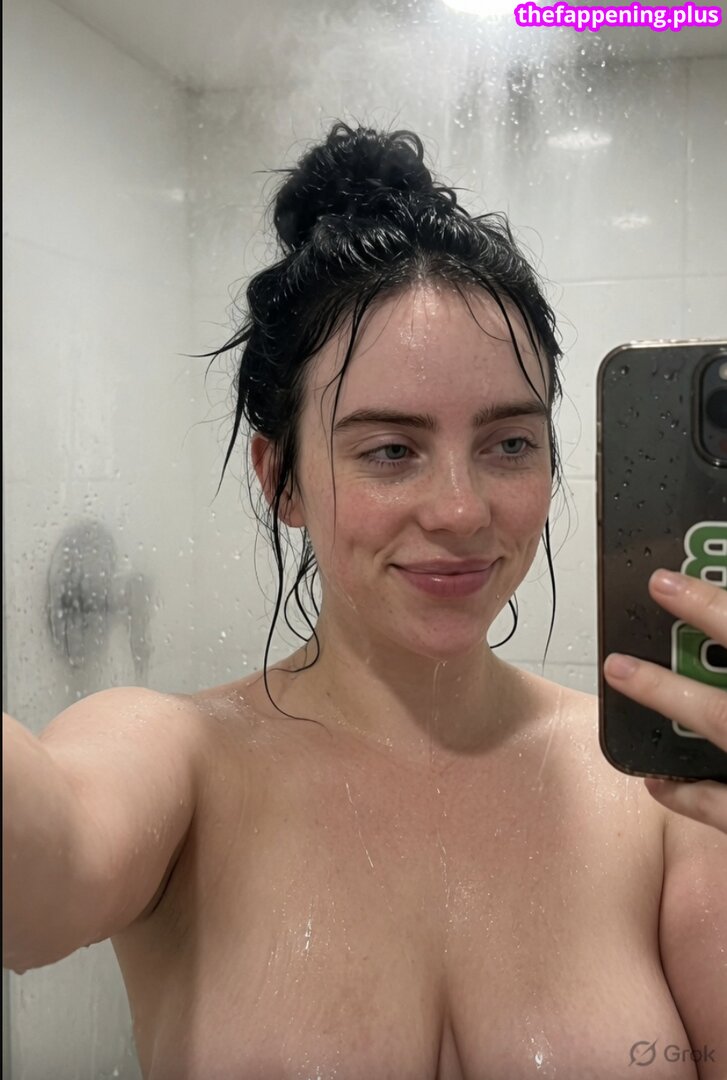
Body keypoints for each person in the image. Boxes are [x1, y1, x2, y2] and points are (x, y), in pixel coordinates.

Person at [3, 121, 726, 1080]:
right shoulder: (178, 761)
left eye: (509, 444)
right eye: (390, 450)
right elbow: (35, 889)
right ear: (281, 479)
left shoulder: (664, 792)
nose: (461, 510)